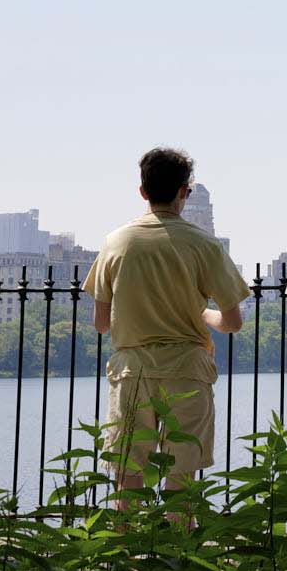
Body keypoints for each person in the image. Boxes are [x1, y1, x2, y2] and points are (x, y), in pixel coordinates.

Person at [84, 147, 251, 492]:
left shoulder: (116, 243)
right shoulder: (205, 244)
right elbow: (233, 321)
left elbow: (101, 322)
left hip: (132, 369)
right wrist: (202, 313)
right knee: (181, 475)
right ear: (183, 192)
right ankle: (179, 543)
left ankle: (124, 543)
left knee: (128, 472)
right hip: (188, 367)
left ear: (143, 192)